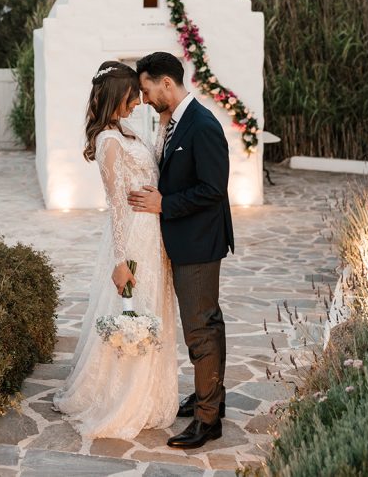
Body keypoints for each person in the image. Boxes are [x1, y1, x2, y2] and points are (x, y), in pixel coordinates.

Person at [52, 61, 178, 439]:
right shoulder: (108, 140)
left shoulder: (126, 131)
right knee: (133, 311)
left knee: (153, 309)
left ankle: (152, 392)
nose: (139, 101)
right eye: (133, 95)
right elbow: (117, 204)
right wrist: (121, 260)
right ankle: (123, 395)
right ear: (116, 96)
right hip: (134, 237)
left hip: (153, 233)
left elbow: (150, 173)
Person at [129, 51, 234, 450]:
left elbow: (213, 189)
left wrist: (163, 205)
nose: (144, 97)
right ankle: (212, 398)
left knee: (201, 328)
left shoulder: (202, 125)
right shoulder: (174, 123)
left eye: (146, 88)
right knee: (206, 323)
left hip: (199, 244)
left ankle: (208, 421)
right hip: (187, 241)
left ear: (166, 84)